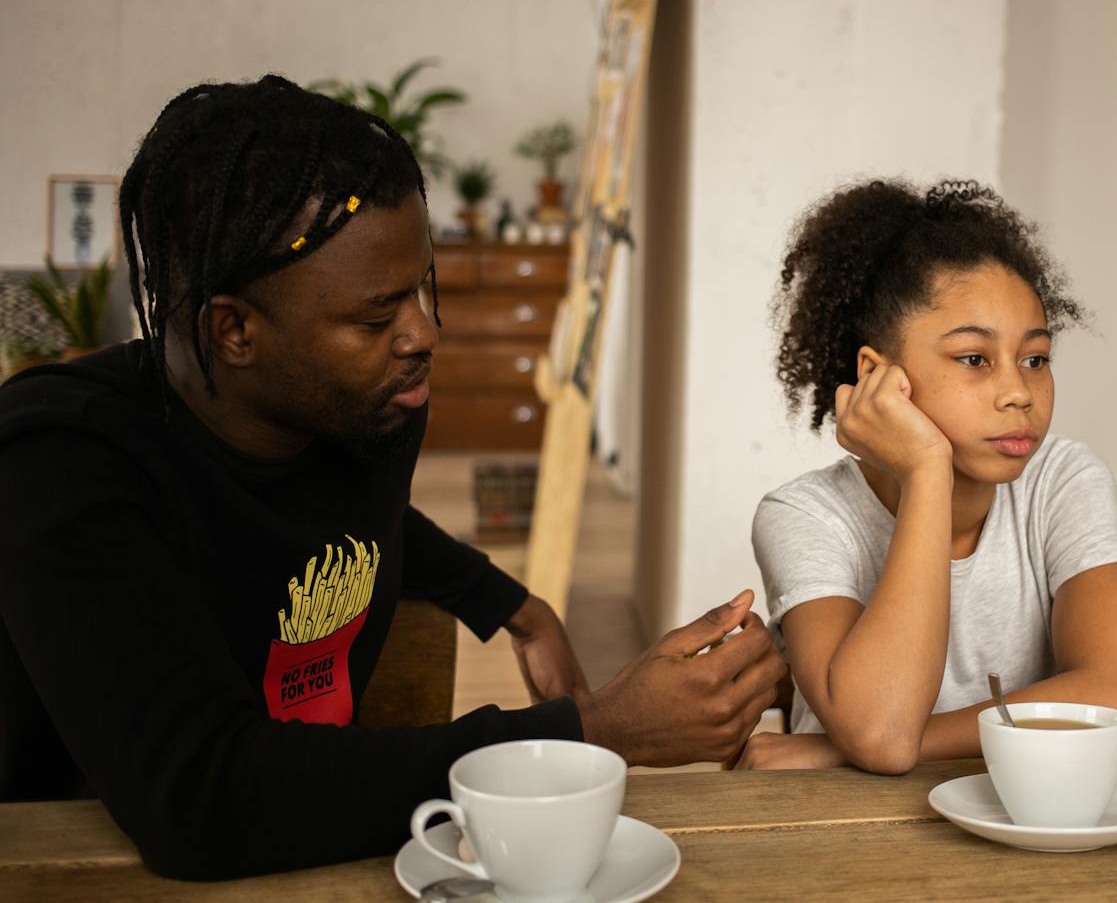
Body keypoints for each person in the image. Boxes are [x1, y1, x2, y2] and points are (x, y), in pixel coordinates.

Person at [0, 76, 786, 879]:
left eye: (421, 288)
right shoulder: (61, 462)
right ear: (233, 329)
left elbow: (352, 521)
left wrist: (512, 605)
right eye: (377, 317)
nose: (423, 331)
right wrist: (585, 729)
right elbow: (203, 797)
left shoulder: (364, 407)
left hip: (315, 851)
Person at [739, 179, 1117, 773]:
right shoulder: (803, 516)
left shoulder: (1062, 479)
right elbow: (881, 733)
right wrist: (925, 471)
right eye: (974, 359)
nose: (1018, 393)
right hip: (849, 831)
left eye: (1035, 359)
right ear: (878, 376)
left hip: (1023, 810)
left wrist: (840, 749)